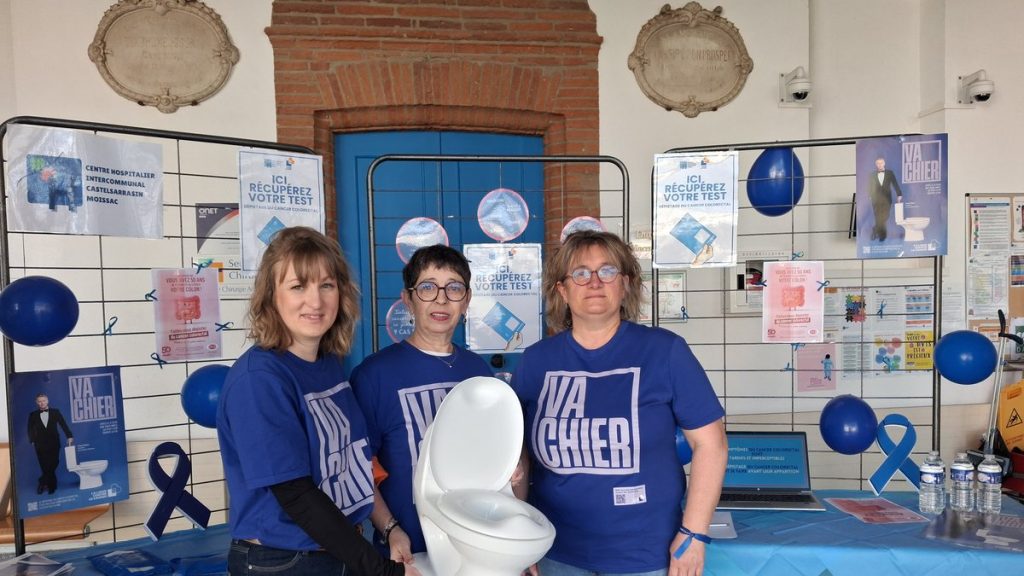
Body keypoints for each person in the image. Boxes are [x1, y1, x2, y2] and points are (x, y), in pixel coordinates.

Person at [512, 230, 727, 576]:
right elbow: (518, 457)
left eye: (607, 271)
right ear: (562, 291)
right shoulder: (536, 362)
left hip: (643, 554)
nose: (594, 282)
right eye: (580, 273)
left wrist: (693, 535)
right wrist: (518, 537)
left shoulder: (665, 351)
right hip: (555, 550)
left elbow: (711, 446)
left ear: (625, 284)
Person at [216, 226, 419, 576]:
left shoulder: (326, 363)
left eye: (326, 285)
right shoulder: (260, 380)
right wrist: (382, 571)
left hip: (338, 551)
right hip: (283, 562)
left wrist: (389, 528)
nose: (316, 301)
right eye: (298, 286)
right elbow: (296, 495)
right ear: (271, 296)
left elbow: (351, 464)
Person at [352, 244, 492, 560]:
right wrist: (389, 529)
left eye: (454, 288)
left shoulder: (479, 372)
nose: (441, 299)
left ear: (466, 301)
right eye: (428, 287)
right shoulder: (375, 375)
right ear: (408, 300)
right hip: (408, 553)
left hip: (474, 551)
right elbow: (360, 468)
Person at [27, 393, 74, 495]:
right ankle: (52, 485)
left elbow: (63, 424)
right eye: (39, 401)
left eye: (43, 400)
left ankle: (42, 482)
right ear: (36, 403)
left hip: (54, 443)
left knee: (54, 463)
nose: (42, 403)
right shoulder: (33, 415)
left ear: (47, 401)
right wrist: (32, 440)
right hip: (40, 444)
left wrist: (69, 436)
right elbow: (30, 429)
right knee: (44, 466)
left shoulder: (55, 412)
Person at [868, 156, 903, 242]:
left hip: (887, 198)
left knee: (885, 216)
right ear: (876, 165)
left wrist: (899, 194)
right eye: (878, 163)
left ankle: (875, 229)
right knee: (877, 216)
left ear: (884, 164)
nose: (879, 165)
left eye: (881, 163)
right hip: (876, 198)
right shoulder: (872, 174)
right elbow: (870, 186)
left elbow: (895, 183)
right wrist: (870, 195)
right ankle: (882, 236)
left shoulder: (889, 173)